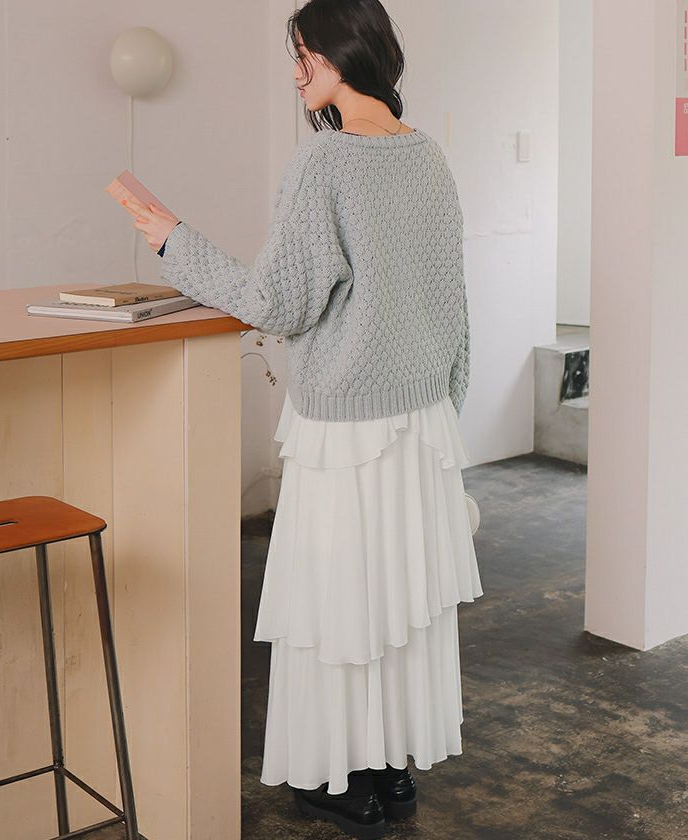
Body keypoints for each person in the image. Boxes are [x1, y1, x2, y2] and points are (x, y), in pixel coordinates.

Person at [129, 0, 483, 836]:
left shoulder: (325, 161)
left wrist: (173, 240)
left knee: (337, 603)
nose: (296, 76)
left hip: (347, 429)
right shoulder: (429, 157)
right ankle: (391, 772)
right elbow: (454, 304)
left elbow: (276, 302)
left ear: (344, 53)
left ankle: (339, 776)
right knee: (399, 603)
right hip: (423, 420)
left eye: (305, 58)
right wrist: (445, 409)